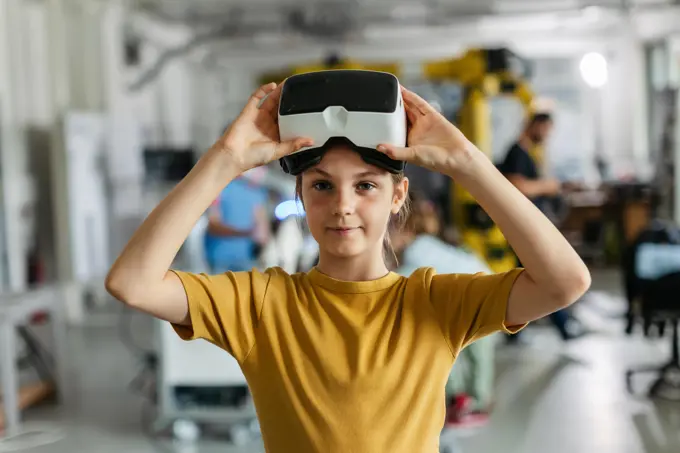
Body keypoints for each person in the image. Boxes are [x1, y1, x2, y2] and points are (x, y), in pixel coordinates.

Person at [105, 81, 591, 453]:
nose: (342, 205)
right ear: (300, 194)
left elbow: (566, 281)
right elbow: (132, 282)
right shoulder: (261, 304)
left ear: (397, 194)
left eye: (365, 186)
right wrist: (226, 159)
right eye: (321, 186)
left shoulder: (435, 302)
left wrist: (467, 162)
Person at [391, 195, 497, 430]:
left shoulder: (417, 251)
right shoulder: (432, 244)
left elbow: (402, 282)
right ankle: (467, 399)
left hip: (481, 296)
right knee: (462, 352)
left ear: (406, 231)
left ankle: (476, 401)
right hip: (479, 292)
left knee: (468, 354)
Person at [499, 112, 585, 342]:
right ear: (534, 125)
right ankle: (562, 326)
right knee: (545, 274)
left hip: (529, 225)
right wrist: (548, 186)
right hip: (522, 227)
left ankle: (517, 330)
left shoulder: (529, 153)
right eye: (545, 129)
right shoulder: (516, 152)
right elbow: (517, 186)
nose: (547, 135)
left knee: (533, 276)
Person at [204, 168, 270, 273]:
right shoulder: (220, 189)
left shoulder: (258, 193)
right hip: (220, 259)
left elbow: (262, 232)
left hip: (246, 259)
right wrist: (243, 232)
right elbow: (213, 226)